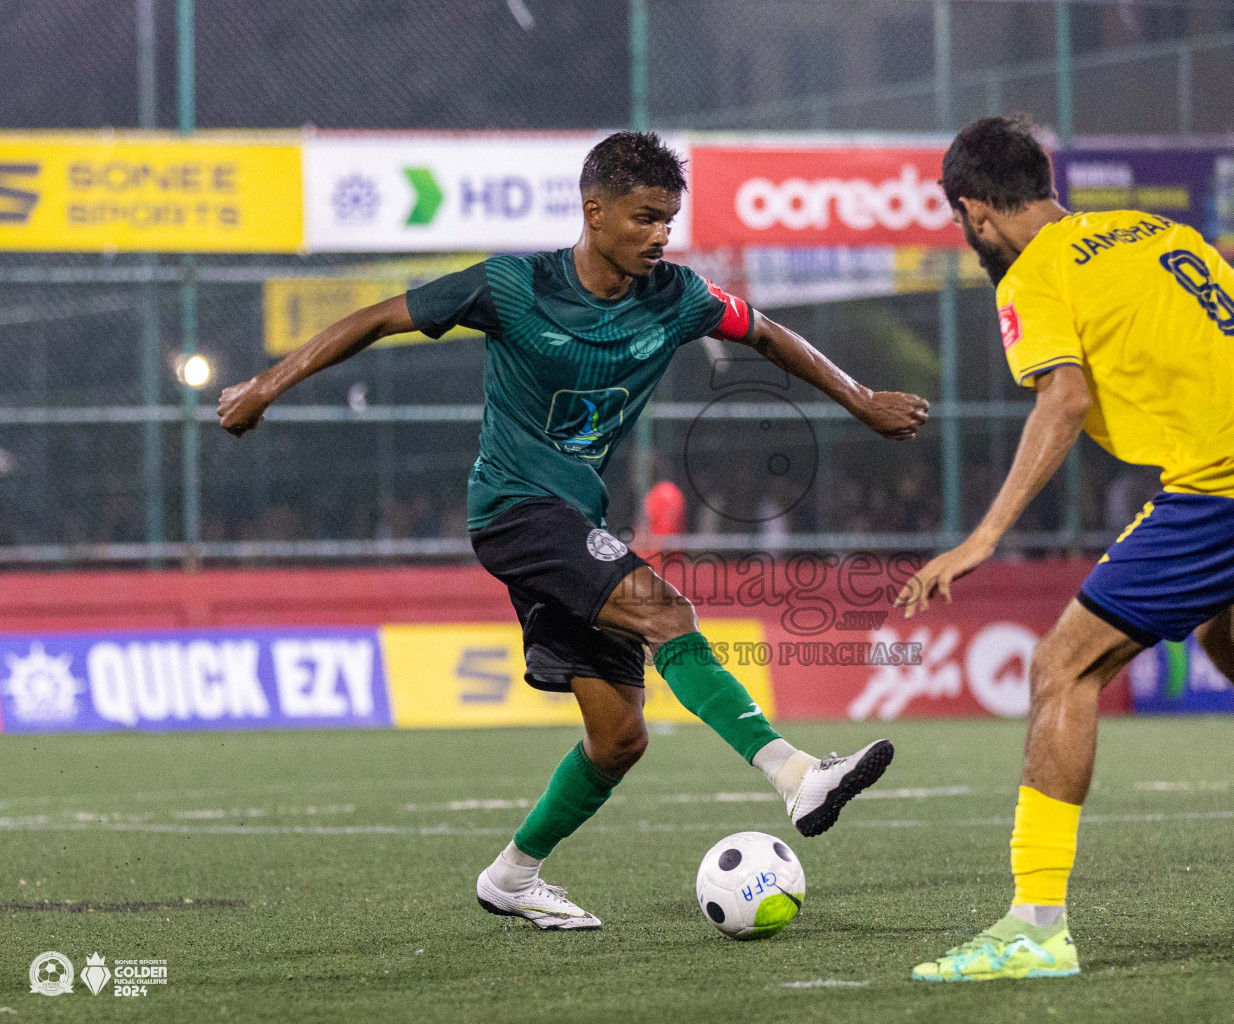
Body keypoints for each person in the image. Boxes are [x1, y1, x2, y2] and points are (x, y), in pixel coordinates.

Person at [218, 132, 930, 931]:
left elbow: (765, 332)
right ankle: (796, 773)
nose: (661, 235)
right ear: (595, 212)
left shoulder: (679, 296)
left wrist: (860, 397)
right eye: (646, 218)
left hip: (575, 519)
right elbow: (379, 318)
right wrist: (263, 386)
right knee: (667, 613)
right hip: (515, 511)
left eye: (669, 219)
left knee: (620, 737)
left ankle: (512, 877)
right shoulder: (513, 285)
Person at [896, 117, 1234, 982]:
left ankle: (1035, 927)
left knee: (1061, 670)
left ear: (976, 210)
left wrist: (983, 537)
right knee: (1230, 642)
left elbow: (1065, 398)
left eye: (962, 221)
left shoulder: (1032, 273)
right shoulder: (1156, 229)